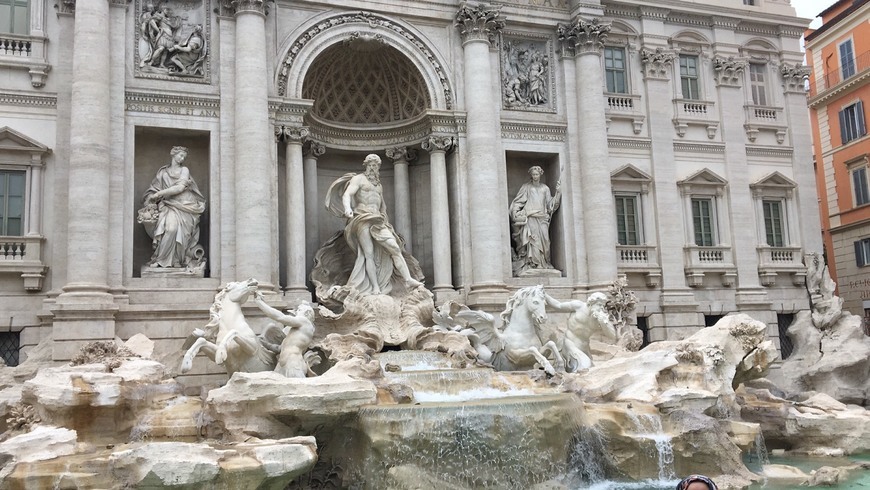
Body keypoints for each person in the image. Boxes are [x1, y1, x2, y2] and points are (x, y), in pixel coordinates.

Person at [325, 154, 423, 295]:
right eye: (370, 164)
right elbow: (347, 194)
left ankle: (408, 280)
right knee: (368, 253)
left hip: (378, 220)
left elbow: (382, 207)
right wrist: (347, 208)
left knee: (394, 247)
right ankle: (375, 287)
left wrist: (386, 222)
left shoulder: (378, 185)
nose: (373, 167)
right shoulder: (358, 179)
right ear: (366, 165)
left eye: (375, 165)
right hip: (362, 218)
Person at [141, 146, 206, 269]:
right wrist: (151, 197)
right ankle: (161, 260)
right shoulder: (163, 173)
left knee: (181, 234)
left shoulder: (184, 170)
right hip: (169, 205)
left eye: (184, 157)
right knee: (171, 229)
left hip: (186, 206)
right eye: (180, 155)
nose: (182, 158)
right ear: (173, 154)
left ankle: (177, 260)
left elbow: (180, 188)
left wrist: (159, 194)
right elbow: (154, 188)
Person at [544, 292, 616, 371]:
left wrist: (604, 323)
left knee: (589, 369)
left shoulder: (600, 318)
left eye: (603, 305)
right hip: (570, 344)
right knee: (585, 366)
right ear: (591, 303)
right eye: (599, 305)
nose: (601, 308)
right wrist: (545, 295)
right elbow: (558, 305)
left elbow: (612, 336)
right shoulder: (578, 306)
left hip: (585, 349)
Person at [509, 165, 561, 275]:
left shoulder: (545, 188)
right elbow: (518, 202)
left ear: (540, 174)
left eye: (537, 174)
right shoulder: (526, 187)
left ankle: (544, 263)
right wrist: (516, 213)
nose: (535, 176)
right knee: (533, 242)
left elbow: (550, 205)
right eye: (533, 175)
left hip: (542, 219)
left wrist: (558, 193)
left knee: (546, 242)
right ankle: (534, 264)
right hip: (531, 218)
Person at [254, 293, 316, 378]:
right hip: (282, 364)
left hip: (293, 363)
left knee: (298, 389)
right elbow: (279, 348)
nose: (296, 312)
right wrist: (263, 343)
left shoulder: (305, 322)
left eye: (299, 310)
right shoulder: (296, 331)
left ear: (306, 313)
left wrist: (260, 303)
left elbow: (281, 317)